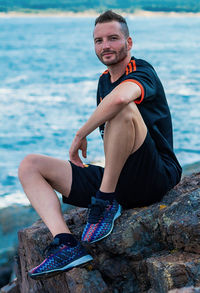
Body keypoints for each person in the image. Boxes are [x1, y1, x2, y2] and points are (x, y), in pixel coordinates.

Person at [18, 10, 182, 280]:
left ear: (128, 43)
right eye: (99, 40)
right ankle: (67, 245)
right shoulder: (103, 81)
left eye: (113, 38)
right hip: (118, 181)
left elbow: (120, 100)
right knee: (30, 165)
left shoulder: (142, 70)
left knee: (122, 107)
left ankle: (105, 202)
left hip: (155, 175)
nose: (105, 45)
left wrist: (80, 135)